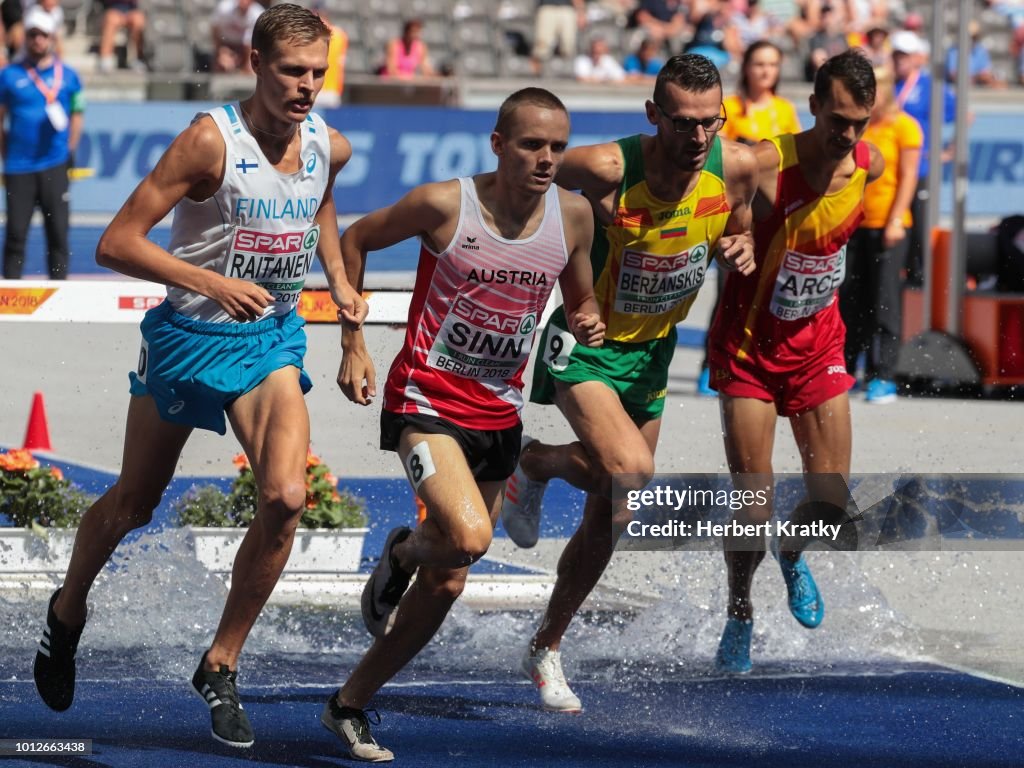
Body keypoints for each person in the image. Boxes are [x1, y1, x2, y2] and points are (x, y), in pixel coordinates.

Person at [31, 3, 366, 749]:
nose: (307, 86)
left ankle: (220, 662)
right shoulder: (209, 142)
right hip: (187, 337)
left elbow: (321, 212)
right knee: (133, 503)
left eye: (318, 72)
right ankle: (68, 609)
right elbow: (117, 243)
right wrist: (210, 283)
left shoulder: (328, 145)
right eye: (291, 71)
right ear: (253, 63)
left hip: (270, 339)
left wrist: (339, 286)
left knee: (285, 496)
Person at [325, 87, 605, 760]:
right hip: (424, 396)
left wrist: (588, 315)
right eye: (533, 145)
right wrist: (353, 341)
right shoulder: (445, 204)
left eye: (558, 147)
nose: (546, 159)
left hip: (498, 412)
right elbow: (354, 239)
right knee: (473, 536)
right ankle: (400, 554)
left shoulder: (573, 217)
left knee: (449, 575)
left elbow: (581, 290)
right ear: (498, 145)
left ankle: (349, 703)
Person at [500, 54, 757, 712]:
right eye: (682, 124)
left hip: (650, 356)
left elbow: (742, 220)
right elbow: (521, 177)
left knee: (612, 516)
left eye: (710, 123)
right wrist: (572, 221)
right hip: (585, 343)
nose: (698, 138)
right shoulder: (607, 166)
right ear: (653, 116)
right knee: (632, 470)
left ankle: (546, 646)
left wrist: (744, 244)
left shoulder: (739, 166)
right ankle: (532, 461)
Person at [707, 49, 883, 673]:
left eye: (859, 121)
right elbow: (713, 210)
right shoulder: (763, 164)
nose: (847, 135)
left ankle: (793, 552)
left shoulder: (870, 162)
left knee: (831, 502)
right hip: (750, 351)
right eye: (836, 119)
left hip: (818, 349)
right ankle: (740, 610)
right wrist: (732, 241)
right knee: (752, 502)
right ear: (812, 105)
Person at [696, 39, 801, 396]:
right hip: (733, 211)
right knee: (728, 290)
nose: (765, 71)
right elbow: (719, 151)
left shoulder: (785, 110)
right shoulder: (731, 107)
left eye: (772, 64)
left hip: (768, 213)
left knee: (765, 291)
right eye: (759, 64)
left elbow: (792, 158)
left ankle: (756, 364)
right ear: (747, 68)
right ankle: (710, 364)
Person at [839, 66, 920, 403]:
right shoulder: (857, 126)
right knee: (850, 301)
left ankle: (882, 374)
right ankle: (846, 370)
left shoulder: (904, 126)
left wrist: (896, 220)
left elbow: (909, 177)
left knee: (884, 301)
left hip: (888, 224)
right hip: (853, 224)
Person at [0, 5, 83, 280]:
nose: (38, 40)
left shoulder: (69, 76)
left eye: (43, 35)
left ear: (51, 38)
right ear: (25, 37)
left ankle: (61, 295)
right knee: (15, 236)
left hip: (54, 164)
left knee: (58, 235)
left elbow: (76, 114)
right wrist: (4, 153)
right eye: (32, 34)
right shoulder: (9, 76)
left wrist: (70, 149)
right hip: (19, 167)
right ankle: (8, 301)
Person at [891, 29, 954, 287]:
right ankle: (897, 271)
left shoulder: (929, 86)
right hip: (890, 168)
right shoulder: (886, 84)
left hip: (920, 166)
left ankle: (918, 276)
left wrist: (949, 151)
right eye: (896, 55)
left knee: (919, 221)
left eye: (904, 55)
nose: (899, 60)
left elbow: (962, 114)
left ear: (917, 57)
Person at [211, 0, 264, 74]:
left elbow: (249, 42)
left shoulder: (257, 14)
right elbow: (215, 30)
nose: (244, 2)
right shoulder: (224, 8)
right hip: (225, 43)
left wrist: (248, 62)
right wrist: (220, 51)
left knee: (250, 70)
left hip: (245, 48)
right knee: (222, 66)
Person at [96, 0, 147, 72]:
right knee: (112, 19)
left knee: (139, 21)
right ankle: (105, 58)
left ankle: (138, 59)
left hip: (131, 10)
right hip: (112, 9)